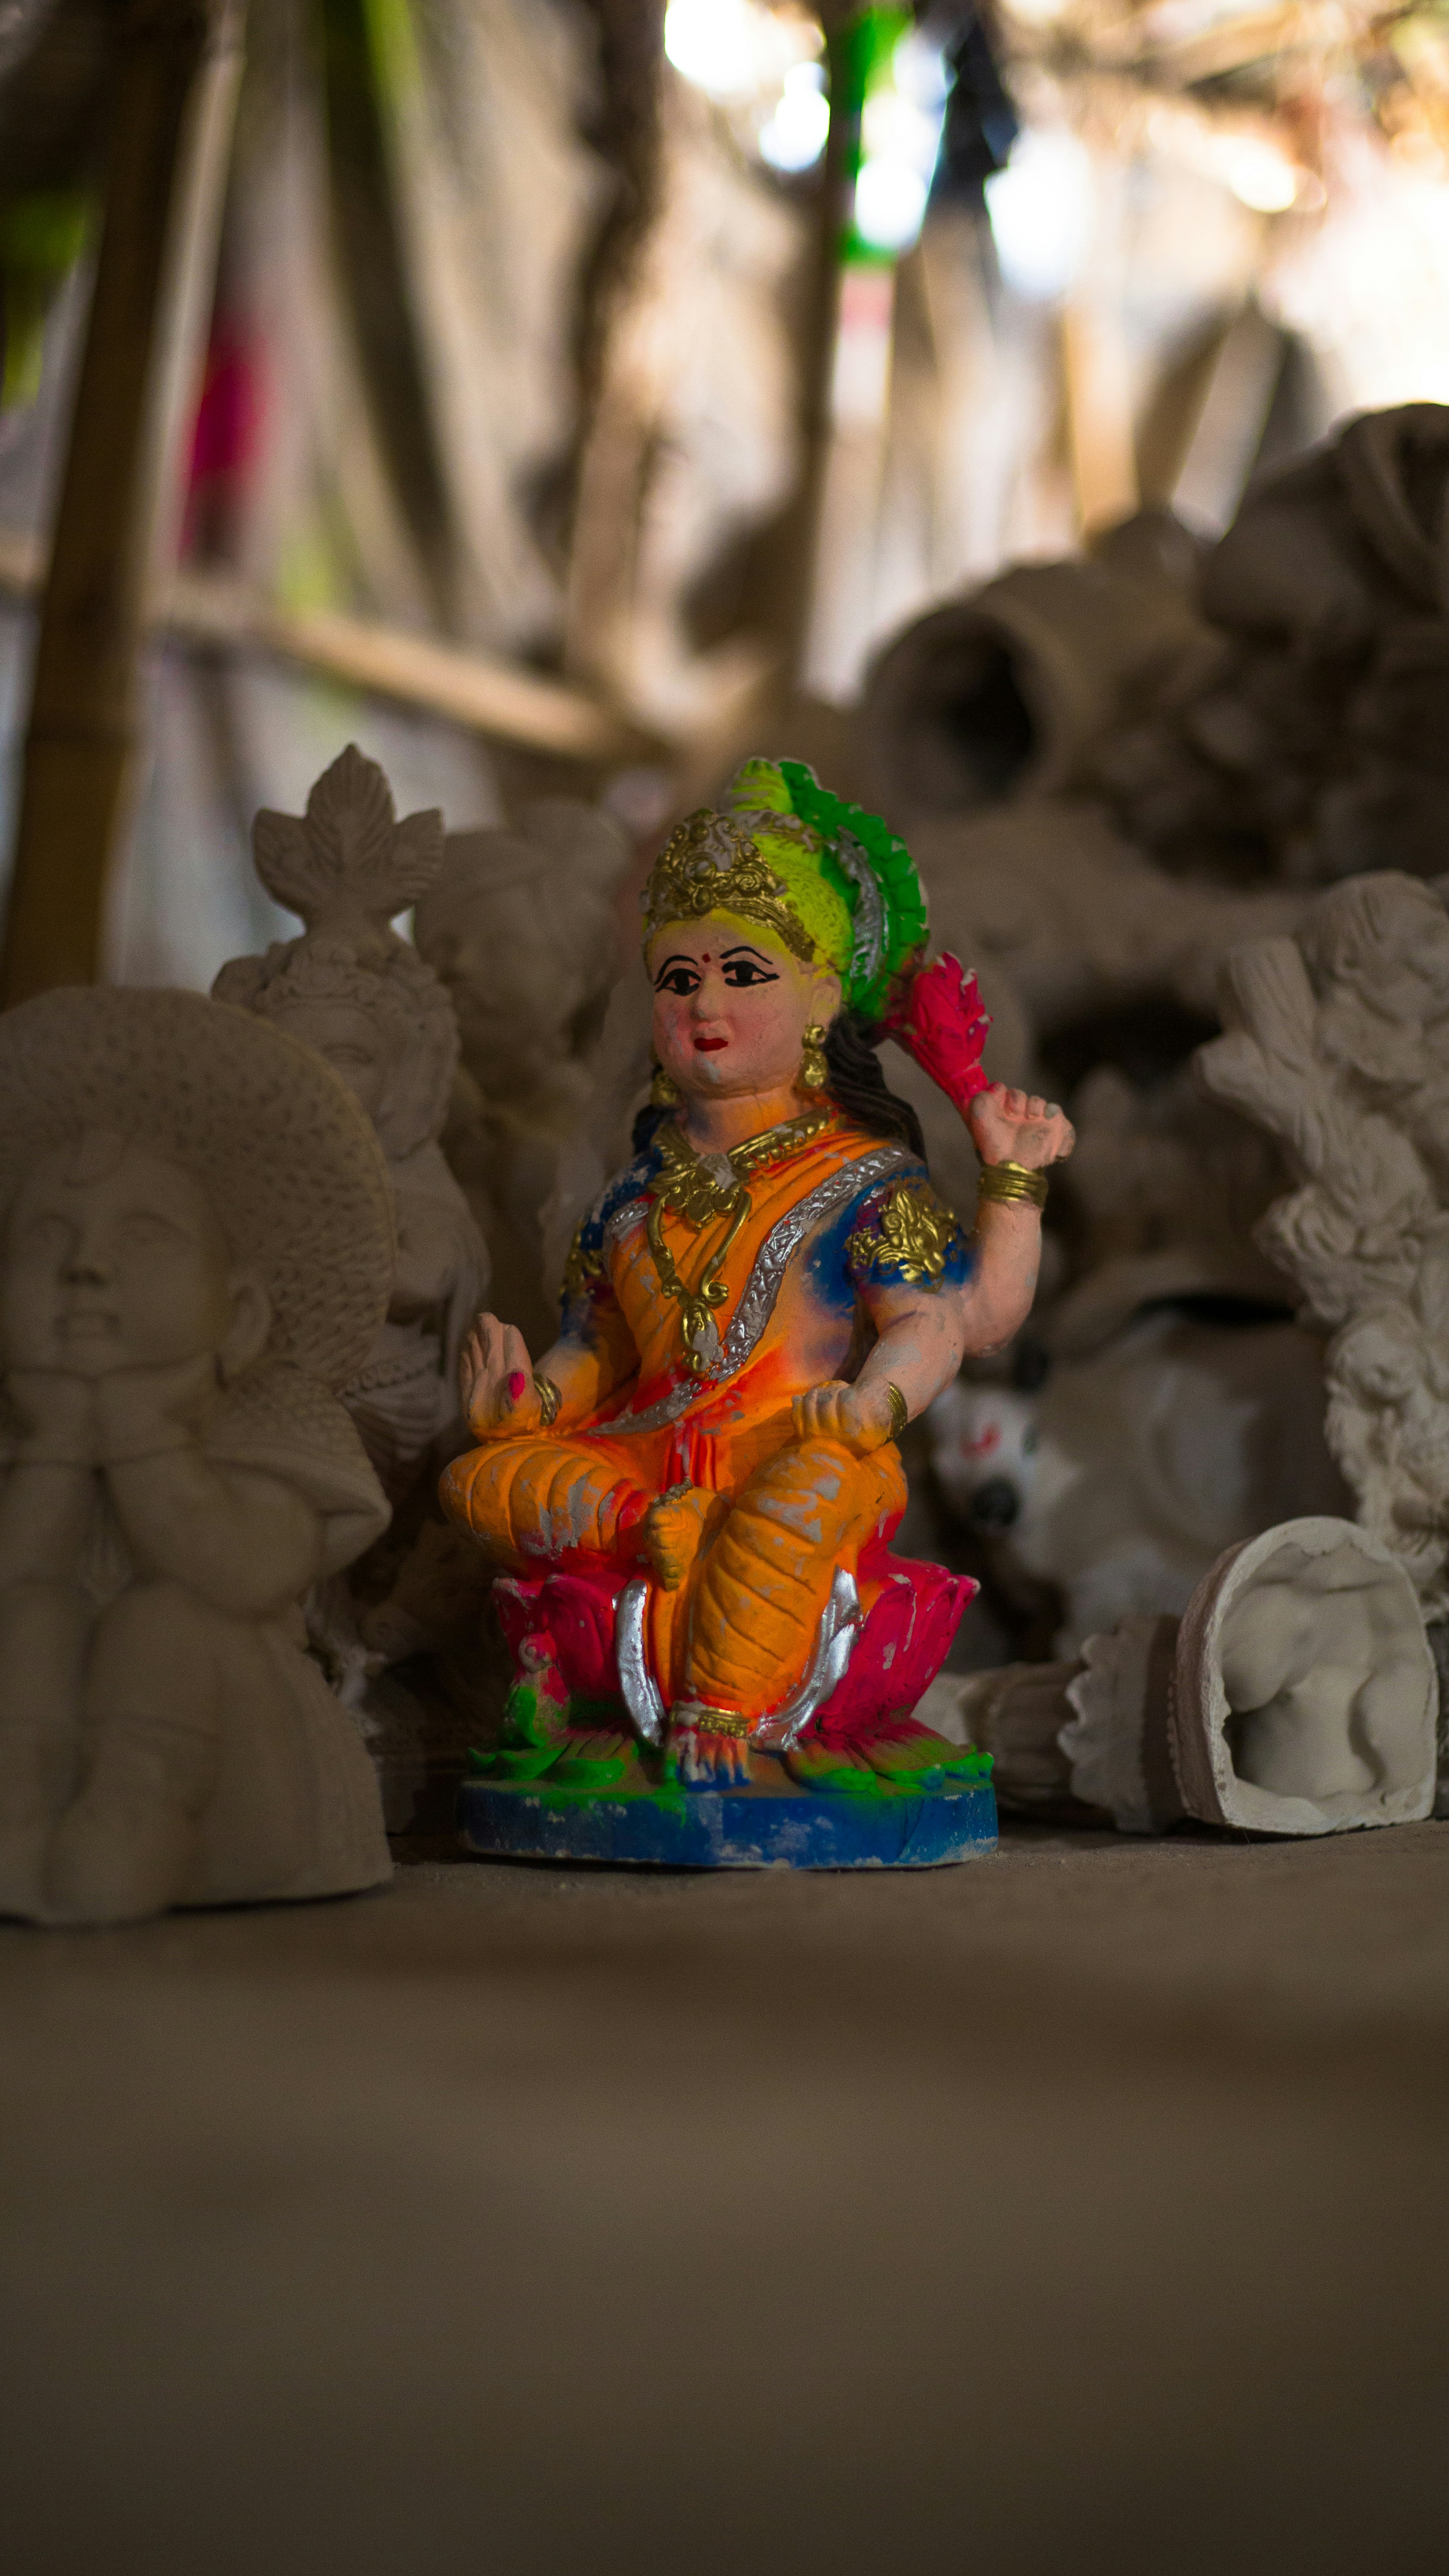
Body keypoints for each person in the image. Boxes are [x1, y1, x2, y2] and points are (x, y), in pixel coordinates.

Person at [442, 759, 1073, 1789]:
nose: (705, 1004)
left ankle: (722, 1702)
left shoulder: (864, 1179)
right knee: (482, 1479)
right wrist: (529, 1398)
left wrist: (875, 1402)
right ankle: (653, 1538)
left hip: (801, 1453)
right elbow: (601, 1347)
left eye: (744, 973)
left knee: (812, 1492)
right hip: (647, 1473)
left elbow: (958, 1322)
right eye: (679, 979)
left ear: (822, 996)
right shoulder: (632, 1199)